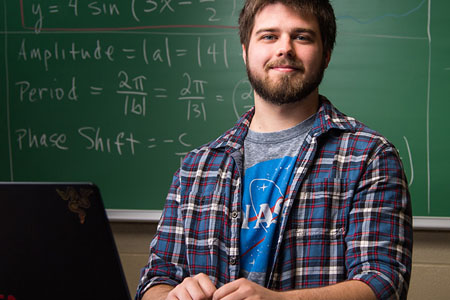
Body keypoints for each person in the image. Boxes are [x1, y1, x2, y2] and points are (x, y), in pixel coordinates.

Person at [136, 0, 413, 299]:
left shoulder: (369, 157)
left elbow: (384, 283)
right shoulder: (196, 168)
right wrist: (171, 296)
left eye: (302, 37)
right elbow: (155, 280)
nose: (285, 48)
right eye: (269, 36)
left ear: (327, 54)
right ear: (245, 50)